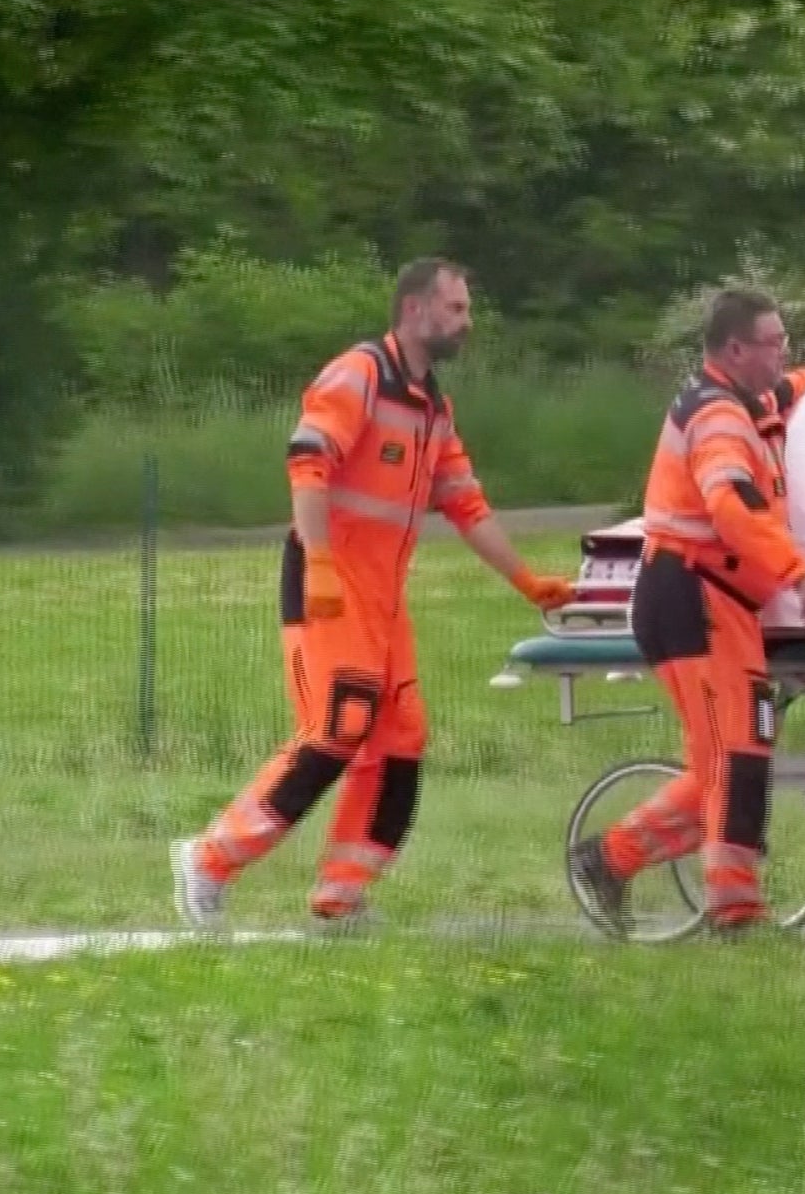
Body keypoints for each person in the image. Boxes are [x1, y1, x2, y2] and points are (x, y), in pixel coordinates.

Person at [170, 257, 577, 929]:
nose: (466, 322)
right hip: (327, 583)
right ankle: (209, 860)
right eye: (457, 309)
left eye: (466, 309)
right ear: (415, 311)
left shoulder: (433, 408)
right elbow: (307, 461)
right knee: (337, 729)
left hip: (382, 597)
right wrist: (322, 562)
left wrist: (527, 579)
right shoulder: (359, 374)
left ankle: (341, 895)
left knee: (399, 740)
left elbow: (467, 505)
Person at [567, 289, 805, 935]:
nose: (784, 352)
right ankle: (734, 909)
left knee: (732, 757)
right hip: (693, 601)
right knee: (735, 755)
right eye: (774, 341)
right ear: (735, 349)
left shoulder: (744, 399)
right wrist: (796, 570)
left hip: (714, 602)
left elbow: (787, 393)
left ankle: (612, 858)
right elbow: (730, 506)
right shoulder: (718, 419)